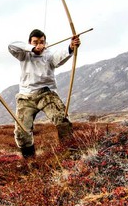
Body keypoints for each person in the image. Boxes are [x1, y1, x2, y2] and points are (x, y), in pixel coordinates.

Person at [8, 29, 81, 157]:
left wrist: (71, 47)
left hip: (46, 94)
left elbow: (60, 57)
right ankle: (29, 160)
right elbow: (12, 46)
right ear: (30, 42)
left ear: (46, 43)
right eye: (35, 42)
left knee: (62, 120)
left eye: (42, 42)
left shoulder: (49, 55)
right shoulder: (24, 54)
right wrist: (32, 49)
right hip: (26, 97)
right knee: (22, 132)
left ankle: (71, 156)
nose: (39, 44)